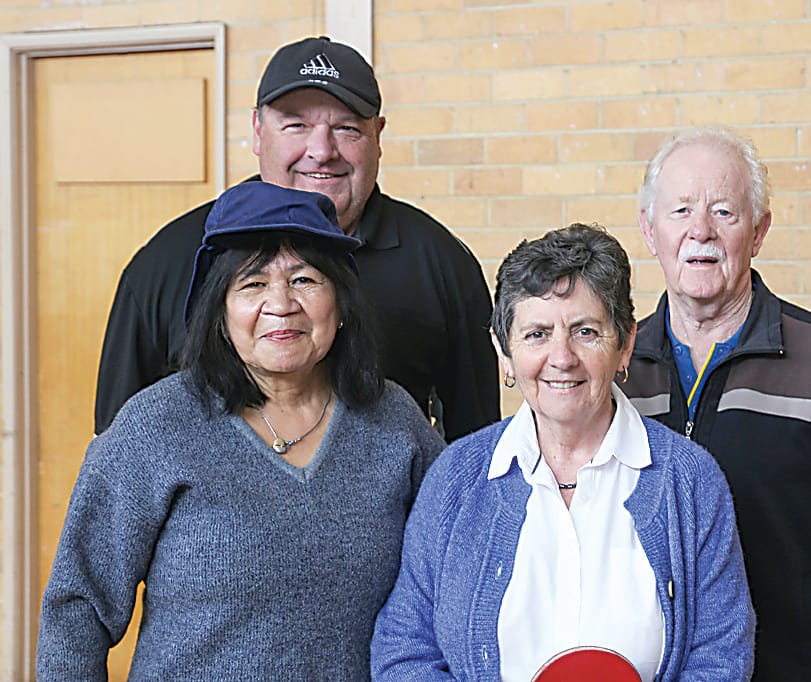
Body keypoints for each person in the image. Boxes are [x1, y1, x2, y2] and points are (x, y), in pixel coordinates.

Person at [37, 182, 445, 680]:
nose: (281, 303)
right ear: (220, 312)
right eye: (252, 284)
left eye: (305, 280)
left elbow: (449, 583)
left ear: (340, 305)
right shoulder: (157, 426)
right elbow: (77, 608)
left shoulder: (395, 422)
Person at [371, 224, 755, 681]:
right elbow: (404, 649)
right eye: (536, 334)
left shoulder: (690, 482)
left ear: (626, 343)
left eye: (585, 331)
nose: (562, 356)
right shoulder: (456, 478)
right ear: (504, 352)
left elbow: (720, 657)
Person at [623, 127, 811, 681]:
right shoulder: (615, 370)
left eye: (724, 212)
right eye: (681, 211)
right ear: (649, 229)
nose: (700, 231)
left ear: (759, 231)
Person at [94, 35, 498, 442]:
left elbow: (478, 447)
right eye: (296, 125)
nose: (321, 151)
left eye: (346, 129)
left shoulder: (442, 263)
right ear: (257, 130)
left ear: (378, 135)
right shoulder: (169, 260)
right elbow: (117, 450)